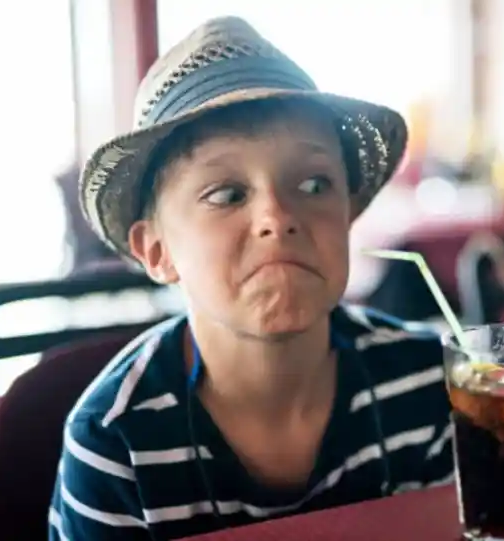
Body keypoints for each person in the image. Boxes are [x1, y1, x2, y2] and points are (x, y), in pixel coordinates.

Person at [48, 16, 453, 541]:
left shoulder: (427, 380)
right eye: (227, 194)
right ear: (157, 250)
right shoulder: (119, 440)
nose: (277, 216)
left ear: (348, 216)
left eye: (313, 183)